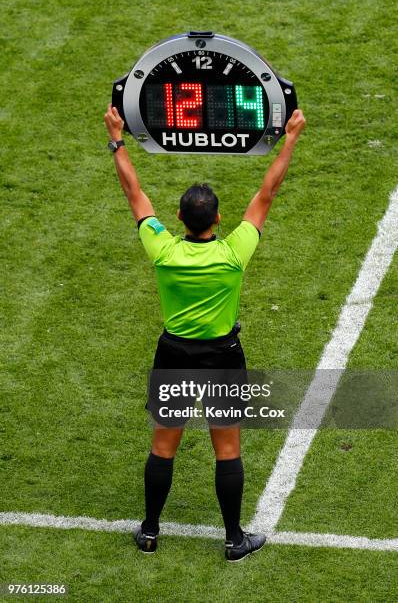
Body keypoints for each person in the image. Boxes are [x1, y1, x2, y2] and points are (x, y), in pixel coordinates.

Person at [104, 104, 306, 561]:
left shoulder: (163, 250)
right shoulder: (235, 251)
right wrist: (290, 137)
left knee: (163, 445)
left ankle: (151, 532)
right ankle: (234, 539)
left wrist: (117, 138)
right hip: (222, 358)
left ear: (178, 217)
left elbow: (133, 192)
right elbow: (267, 192)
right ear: (217, 221)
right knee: (227, 448)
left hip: (174, 355)